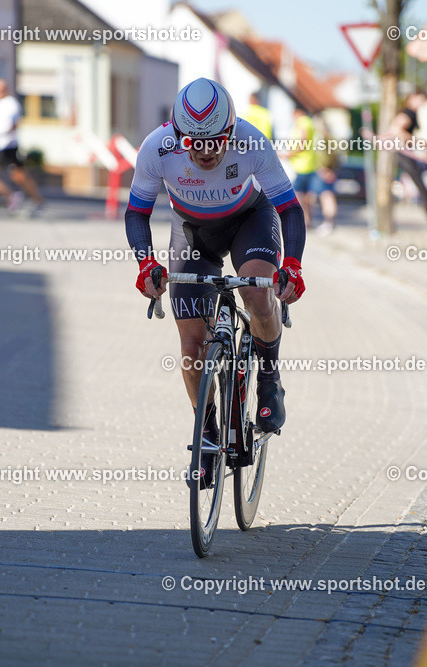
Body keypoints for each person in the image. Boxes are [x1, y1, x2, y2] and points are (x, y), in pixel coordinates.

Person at [125, 78, 306, 486]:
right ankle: (207, 435)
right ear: (178, 136)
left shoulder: (252, 141)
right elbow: (136, 212)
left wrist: (292, 266)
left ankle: (269, 378)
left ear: (231, 132)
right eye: (194, 144)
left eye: (215, 143)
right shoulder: (157, 147)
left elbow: (290, 209)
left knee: (257, 294)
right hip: (192, 235)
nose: (205, 152)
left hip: (249, 222)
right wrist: (145, 263)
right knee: (192, 348)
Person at [0, 79, 43, 215]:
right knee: (5, 174)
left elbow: (14, 124)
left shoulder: (10, 103)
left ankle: (13, 197)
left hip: (7, 145)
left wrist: (0, 134)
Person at [386, 88, 427, 229]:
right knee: (422, 188)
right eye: (421, 101)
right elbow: (396, 130)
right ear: (413, 97)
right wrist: (420, 142)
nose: (421, 105)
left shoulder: (409, 112)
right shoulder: (407, 113)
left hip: (402, 152)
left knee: (421, 187)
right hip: (402, 153)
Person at [288, 106, 318, 227]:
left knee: (298, 194)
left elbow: (303, 141)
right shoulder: (309, 121)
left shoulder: (302, 122)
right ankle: (308, 219)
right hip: (309, 163)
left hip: (301, 164)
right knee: (307, 195)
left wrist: (290, 154)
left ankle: (303, 219)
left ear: (297, 112)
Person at [311, 119, 339, 236]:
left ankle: (328, 223)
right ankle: (329, 223)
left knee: (326, 197)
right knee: (328, 197)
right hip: (330, 170)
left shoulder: (322, 139)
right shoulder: (331, 138)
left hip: (325, 171)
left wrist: (324, 169)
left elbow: (323, 156)